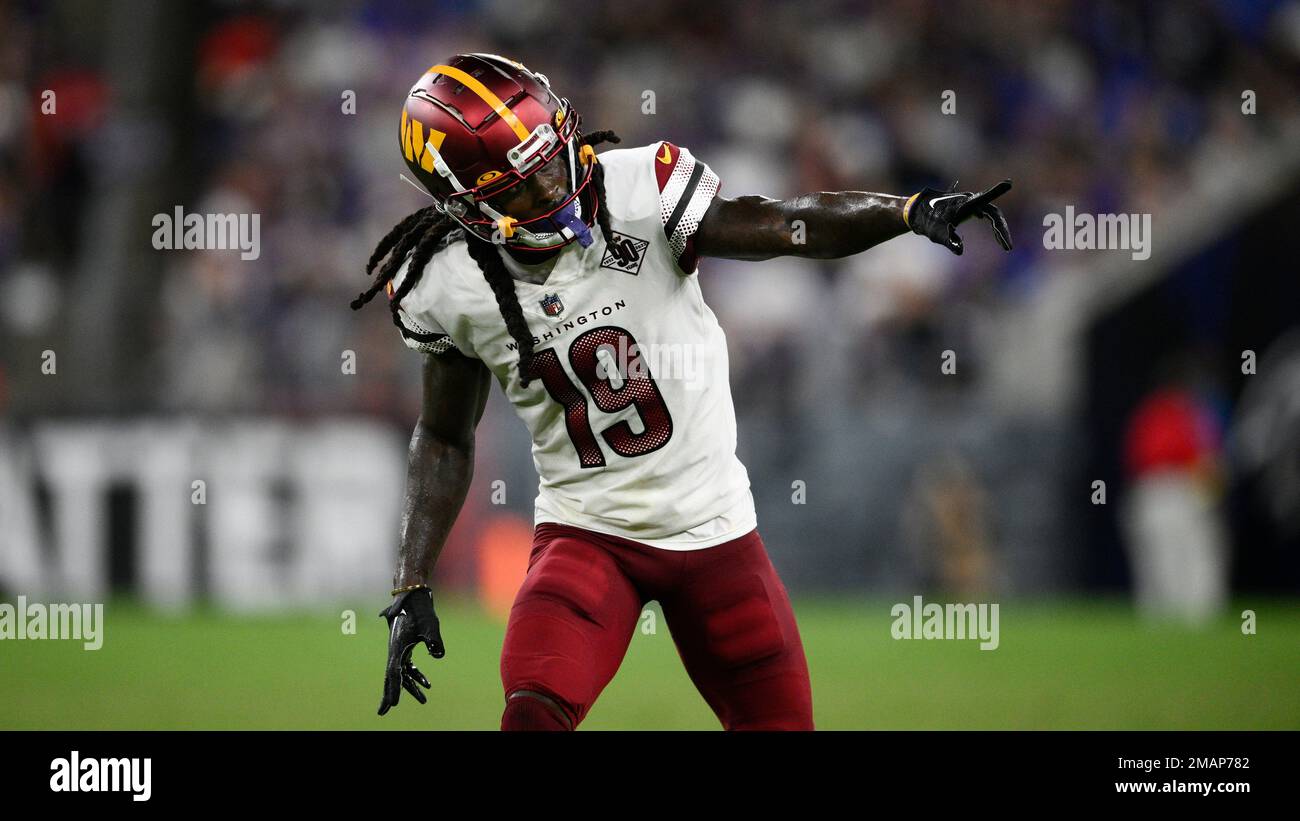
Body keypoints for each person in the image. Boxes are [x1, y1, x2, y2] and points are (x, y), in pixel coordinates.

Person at [356, 53, 1013, 730]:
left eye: (554, 152)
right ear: (468, 206)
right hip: (589, 533)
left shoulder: (641, 188)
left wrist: (903, 210)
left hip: (714, 531)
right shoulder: (446, 284)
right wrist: (411, 579)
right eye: (526, 183)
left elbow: (786, 222)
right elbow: (442, 434)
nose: (557, 181)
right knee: (532, 714)